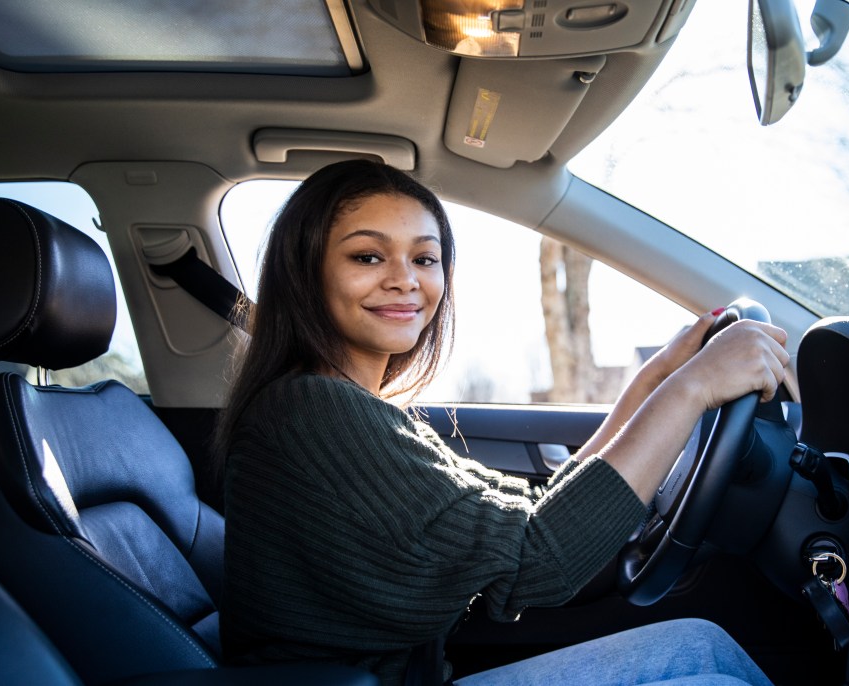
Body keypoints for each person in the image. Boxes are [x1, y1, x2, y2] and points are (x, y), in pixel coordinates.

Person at [215, 159, 788, 685]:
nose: (404, 279)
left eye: (425, 258)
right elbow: (539, 560)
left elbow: (524, 518)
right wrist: (695, 387)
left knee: (702, 649)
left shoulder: (349, 407)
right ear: (304, 273)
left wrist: (658, 377)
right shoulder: (313, 413)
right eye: (368, 256)